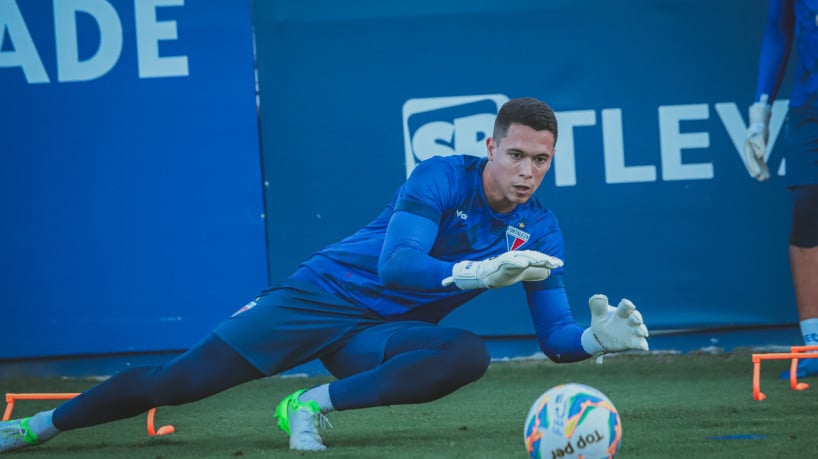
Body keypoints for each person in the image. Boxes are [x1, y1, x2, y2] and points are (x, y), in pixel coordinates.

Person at [0, 97, 649, 454]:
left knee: (464, 353)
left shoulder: (540, 227)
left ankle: (308, 404)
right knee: (182, 380)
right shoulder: (439, 178)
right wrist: (476, 271)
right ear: (491, 147)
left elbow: (554, 336)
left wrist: (593, 342)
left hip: (379, 335)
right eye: (516, 154)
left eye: (541, 159)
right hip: (318, 297)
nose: (528, 170)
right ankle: (37, 426)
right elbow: (398, 263)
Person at [745, 0, 818, 378]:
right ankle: (814, 342)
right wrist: (761, 112)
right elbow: (779, 29)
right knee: (807, 206)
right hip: (811, 105)